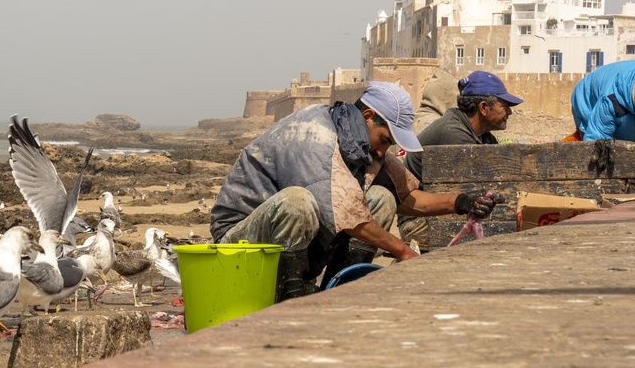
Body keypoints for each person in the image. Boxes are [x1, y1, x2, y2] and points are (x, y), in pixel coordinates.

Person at [210, 81, 501, 301]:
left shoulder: (360, 144)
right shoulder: (316, 135)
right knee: (297, 203)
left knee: (382, 199)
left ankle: (337, 295)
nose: (383, 150)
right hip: (238, 244)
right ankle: (289, 301)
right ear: (368, 116)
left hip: (289, 244)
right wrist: (401, 251)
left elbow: (406, 197)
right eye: (385, 140)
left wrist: (460, 202)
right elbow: (347, 216)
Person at [405, 71, 523, 181]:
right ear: (483, 108)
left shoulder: (483, 135)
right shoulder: (454, 134)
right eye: (505, 106)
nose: (509, 112)